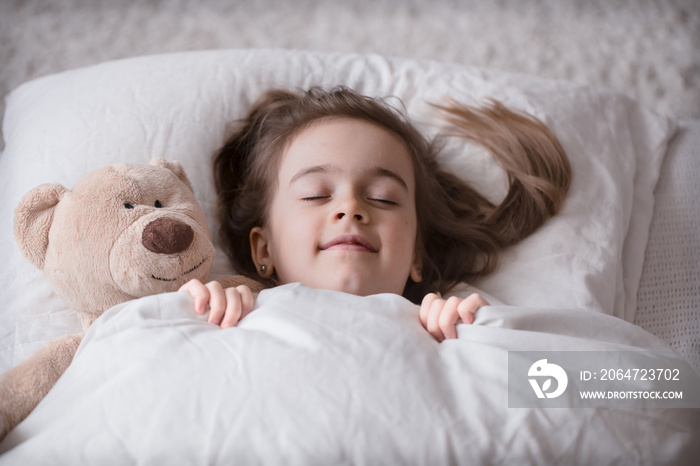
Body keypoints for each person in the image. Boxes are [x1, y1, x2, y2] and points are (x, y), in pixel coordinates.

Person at [180, 86, 571, 341]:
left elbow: (605, 386)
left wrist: (480, 336)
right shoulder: (229, 317)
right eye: (316, 195)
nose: (351, 208)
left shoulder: (446, 326)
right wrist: (193, 312)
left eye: (383, 198)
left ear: (416, 254)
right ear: (263, 249)